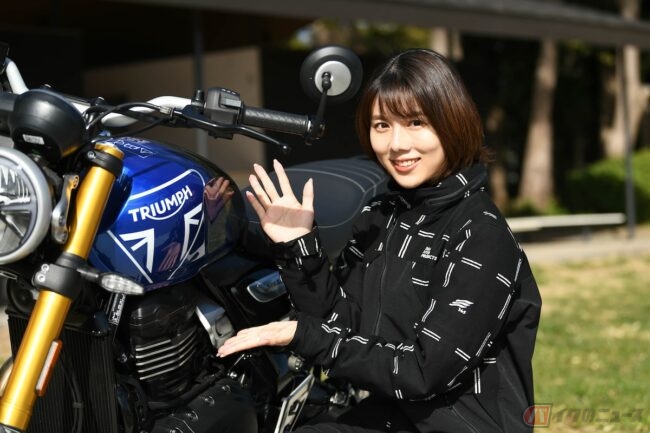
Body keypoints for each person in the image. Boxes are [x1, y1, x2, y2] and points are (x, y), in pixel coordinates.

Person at [218, 48, 542, 433]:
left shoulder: (480, 235)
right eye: (382, 125)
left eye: (416, 122)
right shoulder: (384, 213)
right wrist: (298, 246)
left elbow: (423, 372)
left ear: (453, 122)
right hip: (394, 411)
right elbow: (343, 321)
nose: (397, 144)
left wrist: (301, 334)